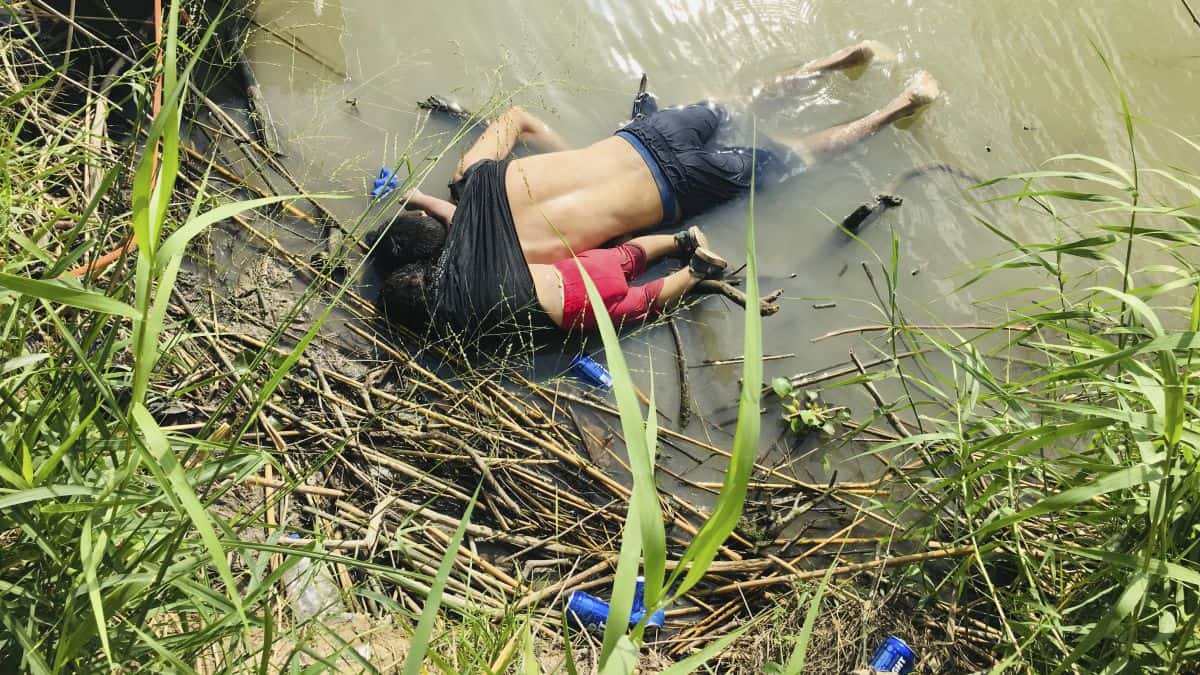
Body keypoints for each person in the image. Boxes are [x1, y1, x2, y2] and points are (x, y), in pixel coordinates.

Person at [376, 41, 941, 335]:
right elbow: (519, 116)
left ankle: (900, 107)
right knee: (737, 102)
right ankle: (844, 60)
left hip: (679, 190)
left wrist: (684, 269)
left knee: (796, 154)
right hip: (645, 138)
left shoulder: (519, 268)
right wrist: (581, 155)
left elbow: (609, 275)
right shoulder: (468, 176)